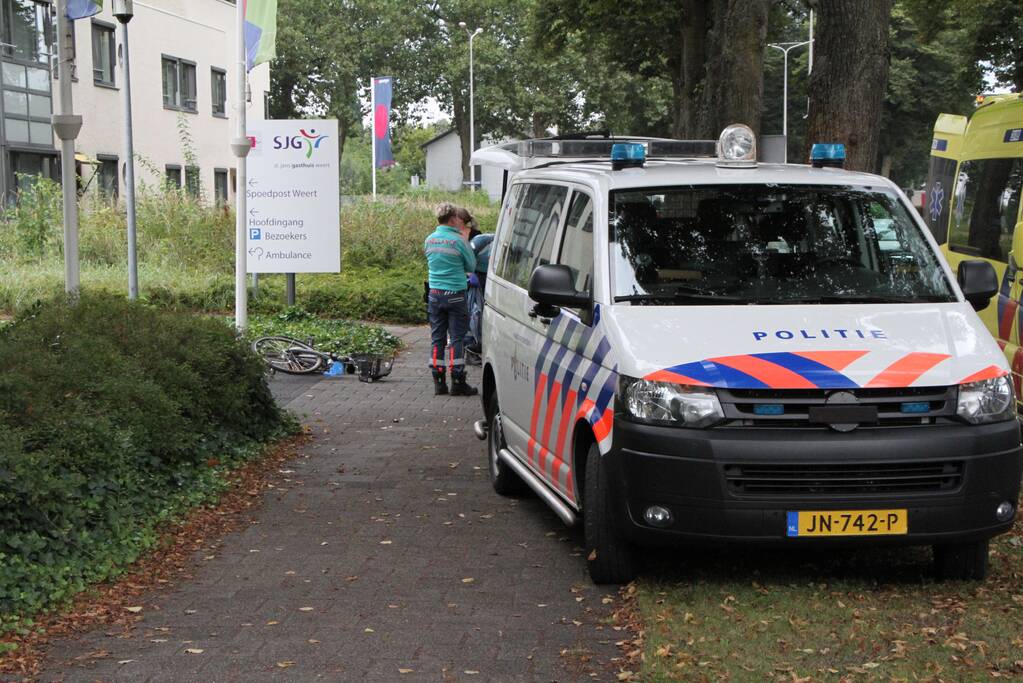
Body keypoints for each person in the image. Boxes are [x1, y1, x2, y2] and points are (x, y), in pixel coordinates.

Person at [424, 203, 478, 396]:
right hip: (455, 295)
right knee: (457, 338)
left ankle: (439, 383)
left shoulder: (430, 240)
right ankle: (457, 382)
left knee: (437, 339)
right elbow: (471, 264)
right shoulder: (458, 240)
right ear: (454, 218)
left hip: (435, 294)